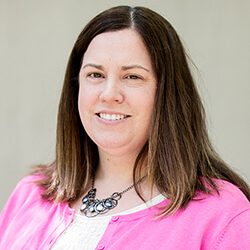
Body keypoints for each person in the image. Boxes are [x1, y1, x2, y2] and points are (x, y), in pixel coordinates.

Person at [0, 5, 250, 250]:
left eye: (132, 77)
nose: (109, 94)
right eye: (95, 75)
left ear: (167, 94)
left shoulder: (223, 216)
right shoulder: (30, 194)